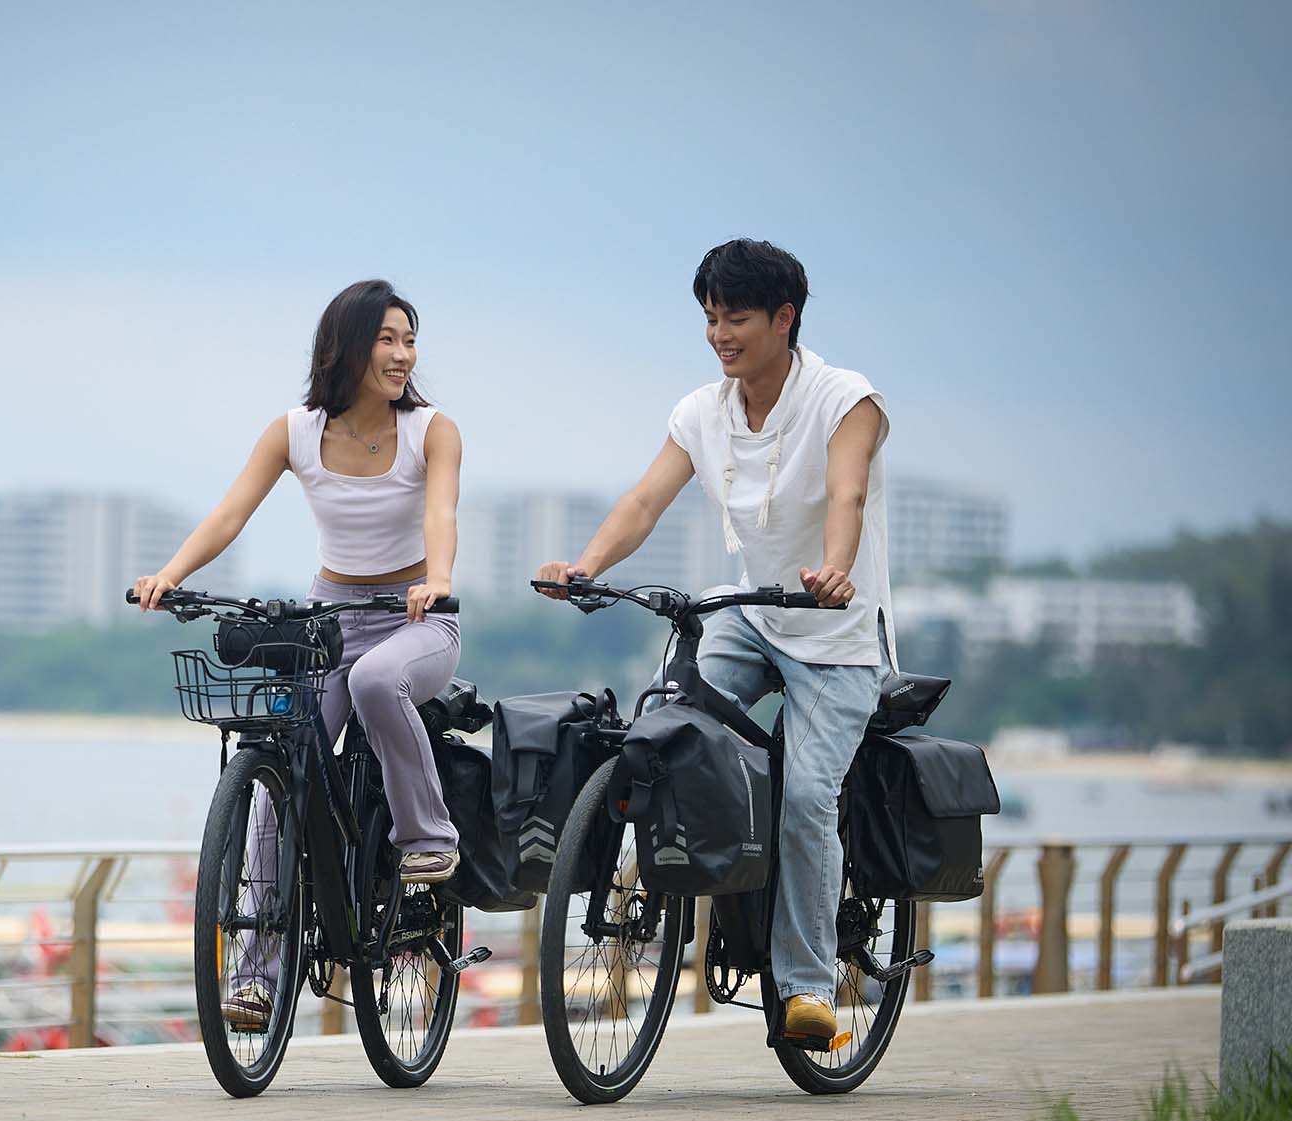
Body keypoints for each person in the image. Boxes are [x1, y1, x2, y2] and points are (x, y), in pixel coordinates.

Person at [538, 239, 892, 1045]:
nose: (719, 333)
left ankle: (807, 986)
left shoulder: (846, 399)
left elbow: (848, 491)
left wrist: (836, 568)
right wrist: (586, 565)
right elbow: (643, 500)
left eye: (735, 317)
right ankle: (662, 884)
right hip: (748, 613)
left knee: (807, 796)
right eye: (708, 317)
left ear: (784, 319)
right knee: (657, 724)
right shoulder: (703, 411)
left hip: (833, 635)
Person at [134, 278, 465, 1032]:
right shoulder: (294, 431)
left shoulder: (433, 431)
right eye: (387, 338)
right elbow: (230, 511)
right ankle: (257, 978)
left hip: (417, 621)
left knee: (382, 681)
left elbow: (440, 512)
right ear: (344, 347)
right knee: (276, 770)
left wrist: (437, 579)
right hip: (330, 620)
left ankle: (428, 840)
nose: (403, 354)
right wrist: (172, 574)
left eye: (409, 340)